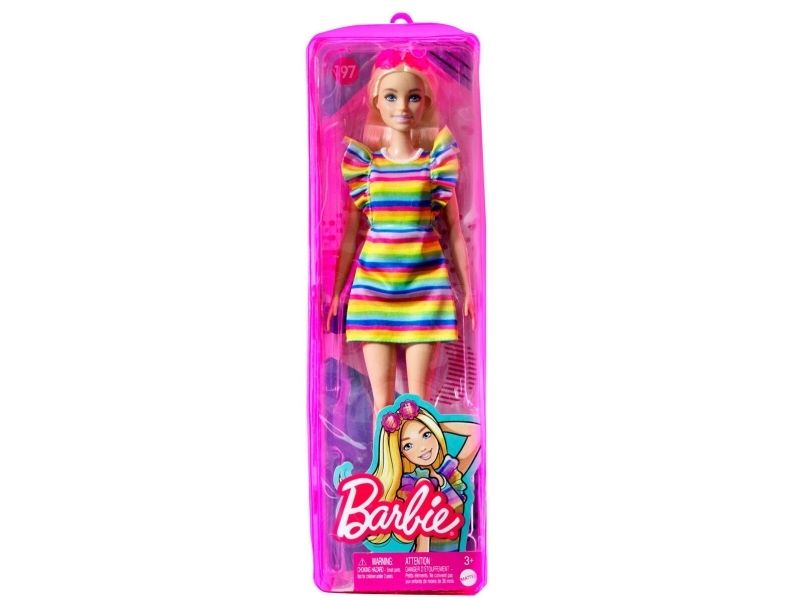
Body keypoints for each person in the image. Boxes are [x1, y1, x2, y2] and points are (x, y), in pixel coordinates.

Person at [325, 48, 475, 412]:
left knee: (417, 402)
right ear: (376, 101)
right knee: (383, 401)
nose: (403, 107)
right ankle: (383, 454)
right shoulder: (366, 168)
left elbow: (455, 231)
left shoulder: (435, 167)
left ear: (426, 102)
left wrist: (469, 289)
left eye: (413, 97)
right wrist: (337, 293)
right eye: (391, 97)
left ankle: (419, 453)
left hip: (426, 290)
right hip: (373, 290)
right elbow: (350, 236)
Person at [369, 397, 479, 552]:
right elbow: (422, 545)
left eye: (426, 435)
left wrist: (434, 423)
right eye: (408, 445)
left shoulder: (448, 473)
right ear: (401, 453)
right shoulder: (410, 486)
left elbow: (476, 433)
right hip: (429, 563)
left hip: (453, 561)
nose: (422, 448)